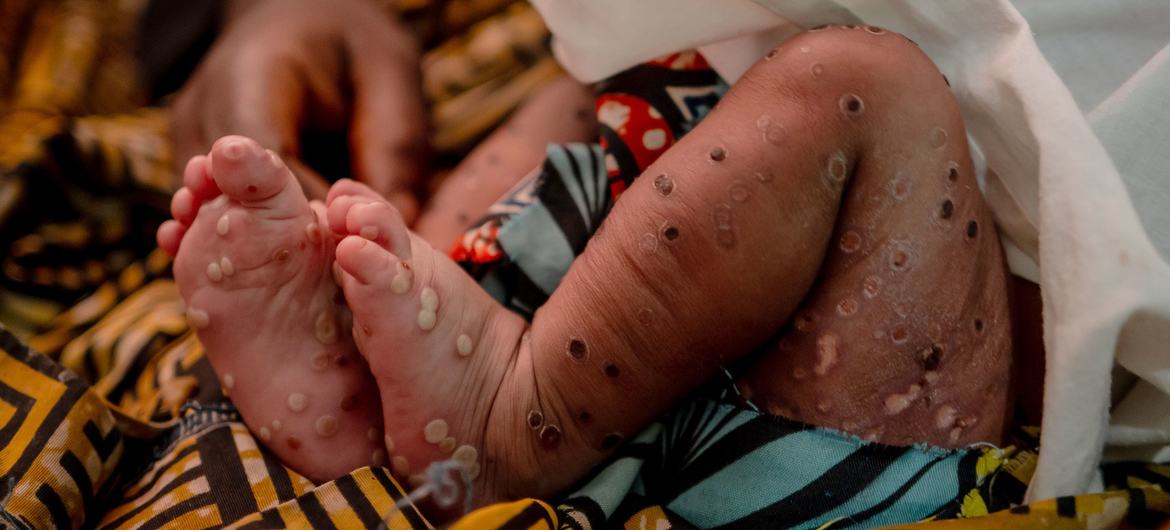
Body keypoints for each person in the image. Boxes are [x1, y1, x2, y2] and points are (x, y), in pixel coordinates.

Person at [158, 22, 1014, 520]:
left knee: (863, 85)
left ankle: (515, 425)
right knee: (600, 83)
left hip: (828, 457)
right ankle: (382, 335)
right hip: (622, 256)